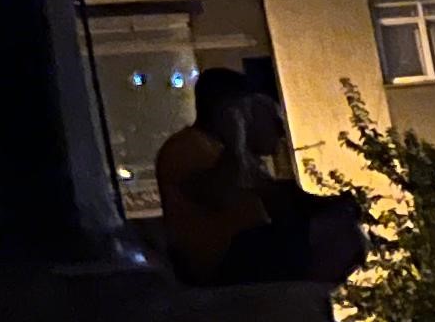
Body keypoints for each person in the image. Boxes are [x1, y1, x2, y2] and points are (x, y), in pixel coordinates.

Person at [153, 69, 362, 288]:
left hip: (249, 249)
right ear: (226, 108)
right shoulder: (185, 148)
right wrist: (235, 143)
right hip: (223, 262)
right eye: (244, 109)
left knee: (335, 229)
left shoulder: (228, 153)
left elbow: (276, 195)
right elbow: (217, 195)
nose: (248, 116)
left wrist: (331, 205)